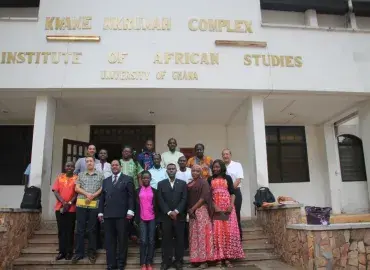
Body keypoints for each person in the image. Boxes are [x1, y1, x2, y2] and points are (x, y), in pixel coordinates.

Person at [98, 160, 135, 270]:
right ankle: (111, 264)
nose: (114, 167)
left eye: (116, 165)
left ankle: (120, 264)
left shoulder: (127, 179)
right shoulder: (106, 181)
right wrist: (100, 212)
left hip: (122, 215)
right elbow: (102, 198)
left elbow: (131, 196)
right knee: (109, 241)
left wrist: (130, 210)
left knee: (122, 240)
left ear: (120, 166)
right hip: (108, 215)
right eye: (113, 165)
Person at [208, 160, 244, 268]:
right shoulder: (210, 179)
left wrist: (231, 205)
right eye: (214, 167)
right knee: (217, 233)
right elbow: (208, 196)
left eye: (217, 167)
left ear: (222, 167)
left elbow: (232, 193)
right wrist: (215, 207)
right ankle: (219, 258)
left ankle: (228, 258)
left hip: (228, 209)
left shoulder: (227, 178)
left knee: (228, 233)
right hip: (217, 210)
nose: (215, 169)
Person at [72, 156, 104, 264]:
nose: (89, 163)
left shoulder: (100, 175)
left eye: (91, 161)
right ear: (85, 163)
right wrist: (87, 194)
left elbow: (102, 188)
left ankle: (91, 252)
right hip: (81, 204)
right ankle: (79, 253)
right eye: (87, 161)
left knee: (92, 229)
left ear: (94, 163)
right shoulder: (81, 175)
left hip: (94, 205)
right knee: (80, 229)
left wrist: (93, 195)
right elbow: (76, 188)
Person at [157, 163, 187, 270]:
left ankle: (178, 261)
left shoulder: (183, 184)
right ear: (166, 171)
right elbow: (160, 200)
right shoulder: (161, 184)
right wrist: (169, 212)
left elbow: (184, 199)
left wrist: (177, 211)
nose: (171, 170)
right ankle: (166, 261)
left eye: (173, 169)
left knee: (179, 239)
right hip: (166, 217)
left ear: (176, 170)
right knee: (166, 239)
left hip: (180, 217)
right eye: (169, 169)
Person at [187, 164, 215, 268]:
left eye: (197, 171)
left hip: (201, 211)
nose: (195, 173)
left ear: (201, 172)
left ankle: (204, 261)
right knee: (194, 236)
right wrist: (189, 211)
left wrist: (193, 209)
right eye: (193, 171)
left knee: (203, 236)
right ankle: (195, 260)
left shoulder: (204, 182)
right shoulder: (189, 183)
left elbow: (203, 198)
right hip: (192, 213)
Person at [52, 161, 78, 261]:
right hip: (60, 208)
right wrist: (63, 202)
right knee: (61, 231)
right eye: (68, 166)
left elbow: (77, 193)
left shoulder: (77, 178)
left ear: (74, 168)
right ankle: (61, 252)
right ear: (64, 167)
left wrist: (70, 203)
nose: (69, 167)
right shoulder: (60, 177)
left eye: (71, 166)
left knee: (70, 231)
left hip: (71, 209)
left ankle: (69, 252)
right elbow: (55, 191)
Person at [136, 171, 157, 270]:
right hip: (142, 218)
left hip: (152, 218)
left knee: (151, 241)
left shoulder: (154, 191)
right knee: (143, 241)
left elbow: (157, 206)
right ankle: (143, 263)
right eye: (144, 178)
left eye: (147, 178)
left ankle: (149, 262)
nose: (146, 179)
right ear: (141, 179)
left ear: (150, 179)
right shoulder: (137, 190)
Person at [222, 149, 244, 240]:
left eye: (227, 154)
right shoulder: (221, 166)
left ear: (230, 155)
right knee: (226, 215)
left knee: (236, 214)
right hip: (224, 194)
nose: (225, 156)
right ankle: (228, 237)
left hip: (235, 192)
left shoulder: (237, 165)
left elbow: (238, 179)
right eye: (224, 154)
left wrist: (230, 190)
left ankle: (239, 237)